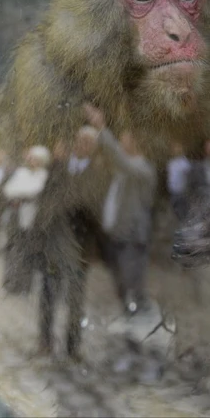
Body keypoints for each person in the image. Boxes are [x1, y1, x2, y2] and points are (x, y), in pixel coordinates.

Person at [83, 103, 156, 315]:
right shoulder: (126, 167)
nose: (122, 140)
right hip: (119, 229)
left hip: (132, 231)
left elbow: (119, 159)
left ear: (135, 143)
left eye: (125, 137)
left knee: (131, 270)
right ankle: (132, 303)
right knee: (124, 271)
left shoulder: (143, 168)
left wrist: (101, 128)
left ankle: (136, 305)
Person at [0, 145, 51, 295]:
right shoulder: (22, 172)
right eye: (32, 158)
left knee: (27, 253)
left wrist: (20, 195)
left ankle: (24, 286)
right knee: (11, 251)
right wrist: (19, 195)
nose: (32, 161)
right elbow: (8, 189)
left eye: (36, 159)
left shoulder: (43, 175)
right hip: (15, 216)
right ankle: (9, 284)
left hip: (30, 218)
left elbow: (36, 191)